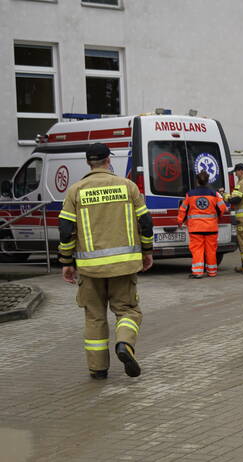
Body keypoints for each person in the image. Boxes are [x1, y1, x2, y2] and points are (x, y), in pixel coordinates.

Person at [58, 143, 154, 379]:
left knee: (94, 316)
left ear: (88, 162)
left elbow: (66, 230)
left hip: (90, 269)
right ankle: (124, 344)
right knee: (128, 311)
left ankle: (98, 369)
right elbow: (146, 223)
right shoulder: (128, 187)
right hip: (125, 266)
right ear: (108, 160)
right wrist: (147, 251)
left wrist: (66, 261)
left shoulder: (75, 191)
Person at [177, 171, 227, 278]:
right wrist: (217, 216)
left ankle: (198, 272)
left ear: (197, 181)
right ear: (207, 180)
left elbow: (183, 210)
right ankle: (212, 272)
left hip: (195, 228)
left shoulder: (190, 194)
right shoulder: (215, 194)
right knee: (211, 250)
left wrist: (180, 221)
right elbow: (223, 208)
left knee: (197, 250)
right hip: (211, 228)